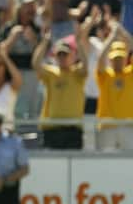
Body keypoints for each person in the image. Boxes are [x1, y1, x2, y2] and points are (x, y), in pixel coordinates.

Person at [32, 27, 89, 150]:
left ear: (72, 56)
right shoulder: (51, 73)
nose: (62, 58)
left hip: (73, 128)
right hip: (53, 127)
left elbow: (85, 66)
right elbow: (36, 64)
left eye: (65, 55)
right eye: (59, 55)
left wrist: (78, 42)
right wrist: (45, 41)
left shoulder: (77, 73)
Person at [95, 22, 133, 150]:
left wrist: (122, 32)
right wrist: (112, 36)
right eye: (115, 59)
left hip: (128, 126)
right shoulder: (105, 76)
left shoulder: (130, 74)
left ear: (125, 59)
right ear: (110, 59)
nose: (118, 61)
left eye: (120, 58)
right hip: (107, 127)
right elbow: (100, 59)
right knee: (105, 164)